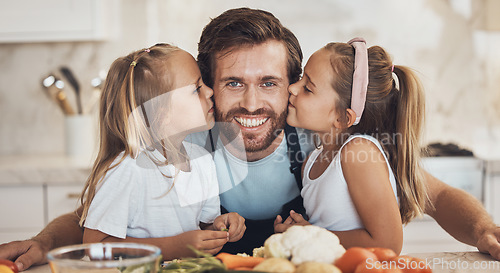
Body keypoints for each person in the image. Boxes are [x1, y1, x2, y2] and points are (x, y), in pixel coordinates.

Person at [1, 7, 500, 271]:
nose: (252, 104)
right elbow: (104, 214)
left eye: (270, 83)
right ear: (208, 89)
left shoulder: (320, 145)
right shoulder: (187, 144)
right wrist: (45, 243)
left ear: (294, 88)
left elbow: (429, 192)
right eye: (233, 83)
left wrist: (482, 231)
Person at [274, 38, 427, 254]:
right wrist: (298, 234)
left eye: (308, 88)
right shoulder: (311, 162)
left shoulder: (358, 152)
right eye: (301, 79)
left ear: (342, 118)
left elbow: (389, 243)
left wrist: (312, 234)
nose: (292, 87)